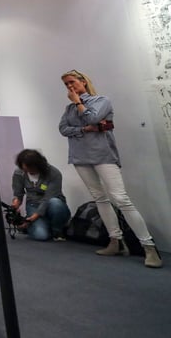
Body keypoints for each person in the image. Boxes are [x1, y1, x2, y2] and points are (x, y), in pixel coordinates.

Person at [58, 70, 162, 268]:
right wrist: (83, 130)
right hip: (80, 157)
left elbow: (92, 119)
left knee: (121, 198)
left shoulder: (101, 100)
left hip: (103, 155)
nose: (69, 87)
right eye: (65, 84)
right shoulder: (68, 108)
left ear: (83, 81)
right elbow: (63, 129)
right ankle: (116, 241)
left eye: (71, 82)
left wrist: (80, 105)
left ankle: (148, 247)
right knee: (100, 198)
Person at [10, 149, 70, 241]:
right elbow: (18, 194)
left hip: (51, 204)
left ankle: (57, 231)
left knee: (55, 203)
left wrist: (32, 218)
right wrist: (15, 204)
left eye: (31, 169)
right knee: (41, 236)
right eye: (25, 169)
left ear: (39, 165)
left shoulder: (54, 173)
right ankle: (37, 226)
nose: (29, 172)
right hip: (33, 204)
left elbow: (47, 199)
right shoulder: (19, 173)